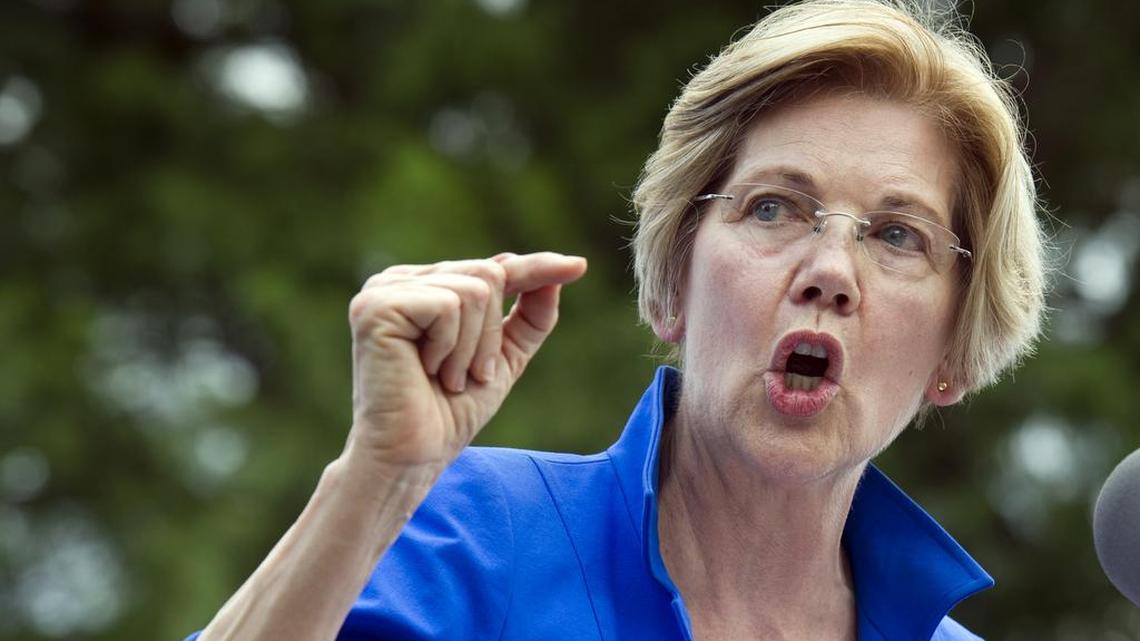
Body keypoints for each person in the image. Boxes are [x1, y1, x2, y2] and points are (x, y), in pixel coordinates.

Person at [187, 1, 1046, 639]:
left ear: (955, 354)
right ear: (673, 284)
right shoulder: (480, 531)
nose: (829, 273)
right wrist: (373, 479)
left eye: (899, 235)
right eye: (776, 208)